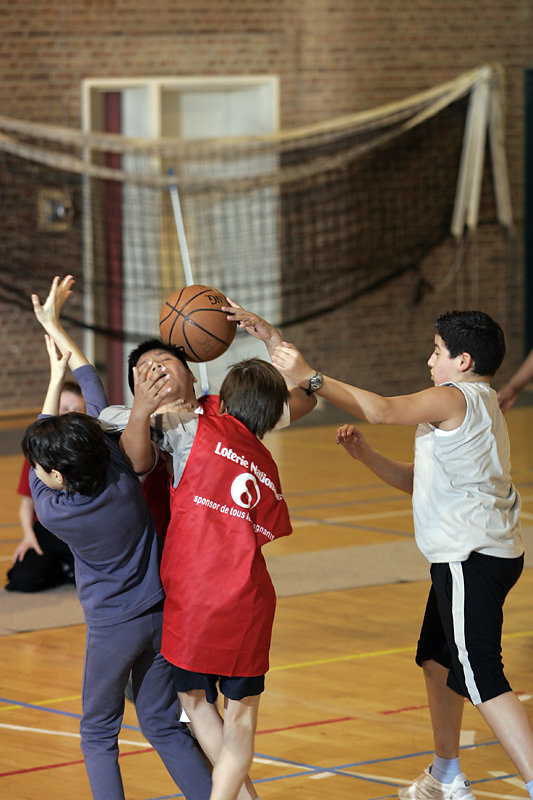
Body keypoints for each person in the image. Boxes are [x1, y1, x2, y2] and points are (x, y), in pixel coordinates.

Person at [271, 310, 533, 800]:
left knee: (480, 671)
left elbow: (380, 409)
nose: (429, 359)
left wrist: (311, 377)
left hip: (469, 558)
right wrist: (367, 457)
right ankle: (445, 775)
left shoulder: (454, 396)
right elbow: (418, 482)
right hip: (478, 556)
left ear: (463, 360)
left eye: (437, 351)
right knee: (436, 660)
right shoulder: (479, 404)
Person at [23, 275, 212, 800]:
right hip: (161, 615)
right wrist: (59, 339)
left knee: (97, 732)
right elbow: (94, 393)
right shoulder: (120, 467)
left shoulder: (54, 512)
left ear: (57, 476)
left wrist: (53, 365)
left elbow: (49, 429)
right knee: (160, 724)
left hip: (113, 628)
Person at [119, 354, 293, 800]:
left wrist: (142, 400)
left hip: (195, 596)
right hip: (250, 600)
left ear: (225, 401)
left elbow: (115, 420)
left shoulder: (192, 431)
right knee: (242, 717)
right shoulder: (268, 467)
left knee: (195, 702)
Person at [6, 381, 83, 593]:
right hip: (47, 529)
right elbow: (26, 504)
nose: (70, 414)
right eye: (65, 408)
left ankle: (69, 568)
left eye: (77, 409)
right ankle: (62, 568)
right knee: (23, 580)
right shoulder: (38, 449)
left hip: (79, 530)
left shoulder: (91, 448)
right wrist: (29, 537)